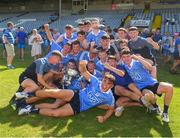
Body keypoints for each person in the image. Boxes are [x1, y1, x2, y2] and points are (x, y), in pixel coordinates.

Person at [16, 61, 115, 123]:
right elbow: (84, 72)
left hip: (79, 106)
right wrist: (82, 64)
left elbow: (111, 108)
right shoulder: (96, 81)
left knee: (55, 113)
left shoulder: (109, 97)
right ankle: (26, 94)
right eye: (104, 81)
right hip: (76, 94)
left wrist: (104, 118)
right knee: (53, 92)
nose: (104, 84)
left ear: (112, 86)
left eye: (108, 83)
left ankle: (29, 109)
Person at [121, 49, 173, 123]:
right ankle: (155, 106)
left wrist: (138, 58)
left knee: (169, 87)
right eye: (124, 57)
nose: (126, 58)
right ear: (122, 58)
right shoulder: (124, 66)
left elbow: (150, 68)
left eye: (128, 56)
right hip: (143, 87)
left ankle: (165, 112)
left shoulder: (137, 62)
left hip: (152, 83)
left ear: (131, 57)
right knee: (149, 96)